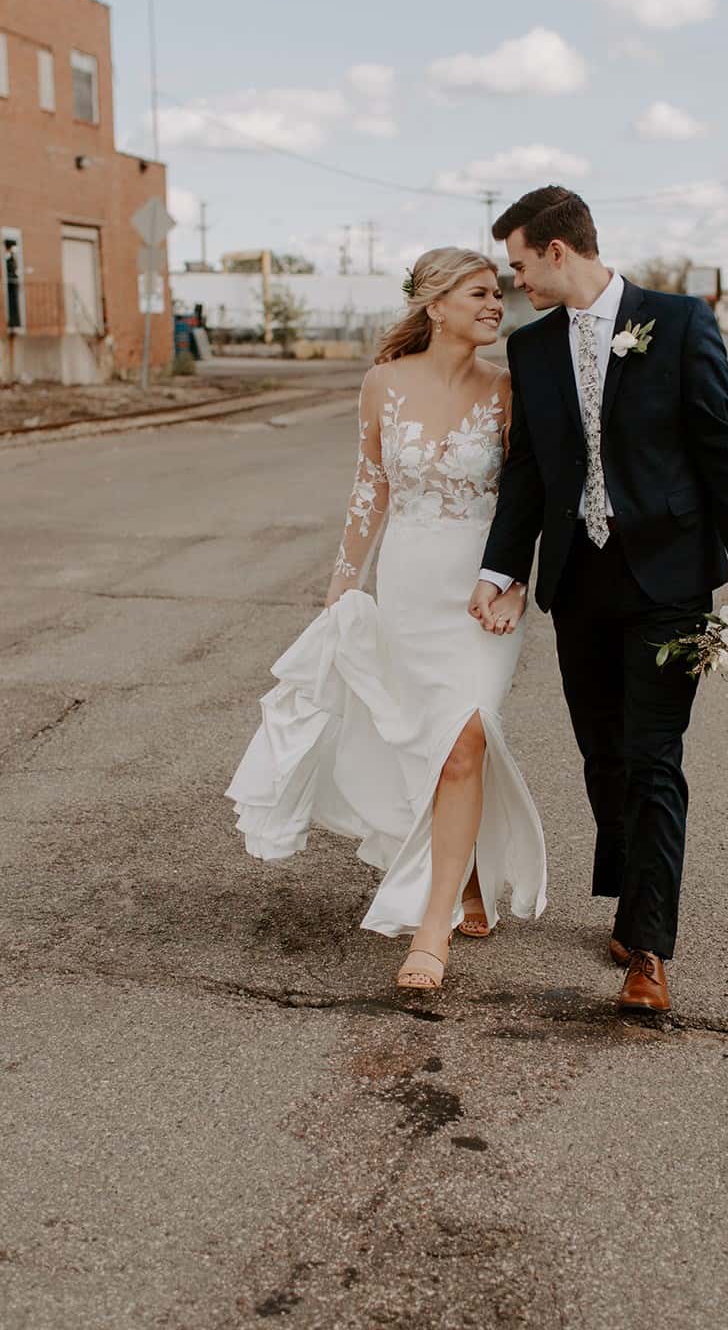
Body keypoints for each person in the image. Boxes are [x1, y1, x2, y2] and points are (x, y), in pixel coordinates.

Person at [470, 189, 728, 1015]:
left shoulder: (676, 322)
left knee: (651, 760)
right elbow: (528, 471)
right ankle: (629, 884)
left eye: (521, 261)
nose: (515, 279)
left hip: (669, 578)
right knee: (601, 757)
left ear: (559, 251)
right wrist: (503, 570)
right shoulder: (531, 351)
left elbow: (719, 445)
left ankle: (648, 946)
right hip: (579, 582)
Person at [227, 248, 547, 990]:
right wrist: (344, 585)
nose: (496, 304)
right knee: (424, 748)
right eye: (478, 293)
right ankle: (460, 874)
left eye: (498, 293)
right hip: (406, 583)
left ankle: (427, 931)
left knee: (464, 739)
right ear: (435, 306)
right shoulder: (382, 384)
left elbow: (524, 497)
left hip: (479, 593)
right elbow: (369, 488)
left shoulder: (508, 391)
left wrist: (513, 581)